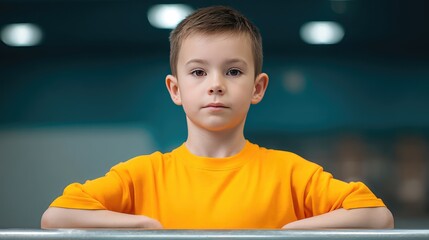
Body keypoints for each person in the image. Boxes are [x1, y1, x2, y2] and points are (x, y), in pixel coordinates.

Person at [41, 5, 394, 229]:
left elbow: (378, 217)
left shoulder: (290, 173)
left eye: (233, 72)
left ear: (258, 88)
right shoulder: (143, 175)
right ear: (174, 89)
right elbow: (55, 216)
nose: (216, 85)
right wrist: (141, 226)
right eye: (198, 72)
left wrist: (291, 234)